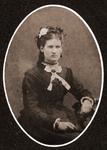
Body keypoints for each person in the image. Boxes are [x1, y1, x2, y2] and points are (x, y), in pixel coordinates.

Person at [19, 26, 95, 145]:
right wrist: (56, 124)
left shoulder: (66, 72)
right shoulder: (32, 75)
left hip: (62, 114)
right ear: (41, 48)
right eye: (50, 47)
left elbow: (82, 91)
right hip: (40, 122)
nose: (54, 51)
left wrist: (86, 102)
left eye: (57, 47)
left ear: (61, 50)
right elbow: (31, 109)